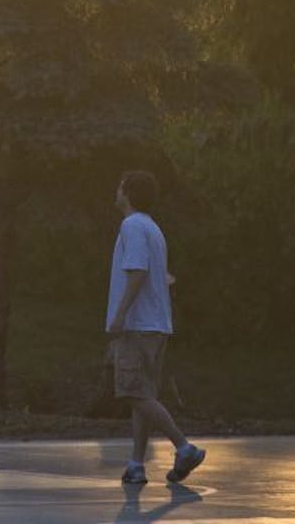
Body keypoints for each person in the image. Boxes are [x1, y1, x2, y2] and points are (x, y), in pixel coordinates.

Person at [106, 170, 205, 486]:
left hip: (138, 325)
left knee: (133, 393)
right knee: (144, 396)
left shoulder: (132, 225)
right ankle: (136, 465)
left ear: (128, 192)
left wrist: (119, 316)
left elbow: (136, 272)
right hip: (157, 324)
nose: (116, 190)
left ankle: (184, 447)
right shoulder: (152, 227)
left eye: (120, 185)